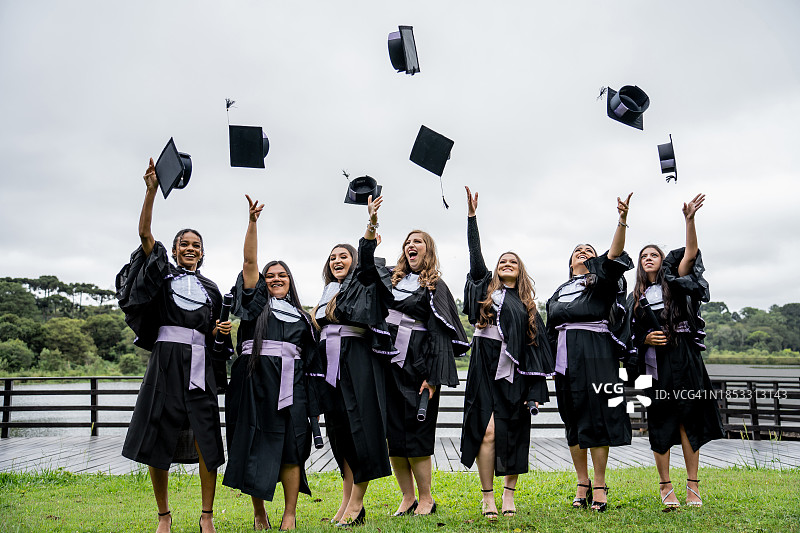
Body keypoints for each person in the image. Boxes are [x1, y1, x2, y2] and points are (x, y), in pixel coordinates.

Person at [116, 158, 231, 533]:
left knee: (207, 440)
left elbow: (215, 338)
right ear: (176, 249)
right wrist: (151, 191)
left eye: (196, 245)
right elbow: (146, 236)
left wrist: (219, 334)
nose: (190, 248)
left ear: (203, 252)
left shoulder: (212, 289)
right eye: (184, 243)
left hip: (200, 368)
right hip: (166, 363)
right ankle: (164, 515)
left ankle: (207, 515)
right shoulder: (163, 276)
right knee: (158, 436)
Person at [222, 195, 323, 531]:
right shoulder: (255, 307)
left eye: (282, 275)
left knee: (293, 448)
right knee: (255, 446)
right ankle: (259, 513)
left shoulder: (303, 319)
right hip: (253, 385)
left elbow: (312, 362)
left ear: (290, 280)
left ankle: (290, 514)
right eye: (270, 275)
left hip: (292, 389)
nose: (276, 278)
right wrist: (252, 222)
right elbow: (249, 262)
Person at [460, 187, 555, 520]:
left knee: (512, 432)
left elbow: (537, 352)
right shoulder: (486, 289)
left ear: (520, 270)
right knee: (486, 430)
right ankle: (487, 497)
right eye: (503, 261)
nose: (507, 264)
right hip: (483, 365)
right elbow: (475, 257)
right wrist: (472, 217)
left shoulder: (528, 307)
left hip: (514, 373)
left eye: (513, 262)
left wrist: (534, 392)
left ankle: (509, 494)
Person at [627, 193, 723, 508]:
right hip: (654, 365)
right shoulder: (635, 297)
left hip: (685, 357)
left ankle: (693, 487)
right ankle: (665, 487)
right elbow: (627, 334)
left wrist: (689, 220)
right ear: (640, 265)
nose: (649, 258)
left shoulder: (674, 282)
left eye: (654, 254)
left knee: (689, 419)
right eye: (644, 256)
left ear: (662, 259)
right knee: (660, 421)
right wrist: (645, 341)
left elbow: (691, 254)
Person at [546, 192, 634, 512]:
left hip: (596, 352)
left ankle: (599, 484)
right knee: (572, 420)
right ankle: (580, 482)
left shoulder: (601, 282)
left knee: (597, 419)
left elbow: (613, 257)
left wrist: (621, 220)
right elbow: (548, 328)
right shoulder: (558, 292)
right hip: (565, 359)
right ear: (570, 263)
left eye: (589, 250)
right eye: (577, 250)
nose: (582, 252)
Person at [312, 195, 395, 526]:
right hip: (329, 367)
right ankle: (347, 502)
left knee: (360, 429)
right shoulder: (325, 292)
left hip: (356, 360)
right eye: (332, 257)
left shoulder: (362, 281)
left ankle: (357, 502)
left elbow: (367, 258)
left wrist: (371, 223)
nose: (336, 260)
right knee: (339, 433)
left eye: (343, 256)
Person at [385, 228, 469, 516]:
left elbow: (441, 334)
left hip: (418, 365)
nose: (411, 245)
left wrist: (433, 378)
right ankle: (407, 498)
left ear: (428, 250)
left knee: (417, 434)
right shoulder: (391, 280)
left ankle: (426, 498)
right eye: (407, 242)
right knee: (393, 435)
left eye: (417, 242)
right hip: (389, 365)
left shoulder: (435, 286)